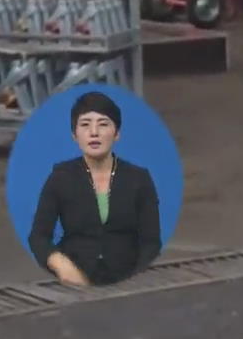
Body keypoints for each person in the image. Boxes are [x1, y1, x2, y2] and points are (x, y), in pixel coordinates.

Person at [28, 91, 162, 287]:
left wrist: (136, 281)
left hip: (128, 280)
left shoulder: (139, 179)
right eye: (85, 125)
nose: (94, 132)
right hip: (74, 281)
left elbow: (151, 243)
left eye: (103, 124)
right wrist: (61, 264)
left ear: (117, 134)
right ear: (74, 135)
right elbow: (38, 237)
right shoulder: (60, 177)